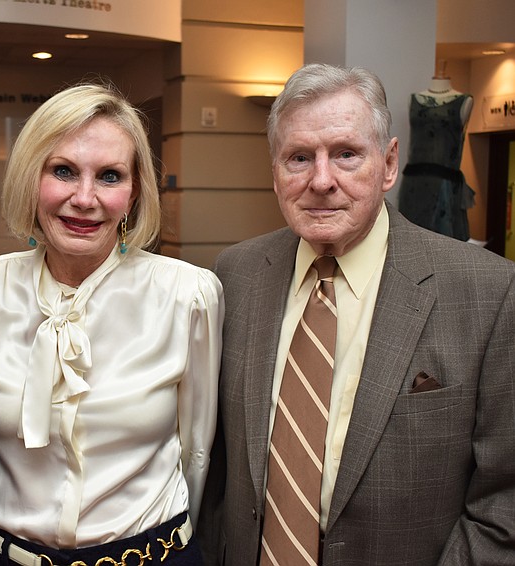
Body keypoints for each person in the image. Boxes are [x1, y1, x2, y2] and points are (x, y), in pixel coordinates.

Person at [199, 63, 515, 565]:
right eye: (299, 157)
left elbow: (504, 498)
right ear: (274, 173)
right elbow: (215, 464)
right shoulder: (234, 276)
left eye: (346, 154)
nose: (321, 180)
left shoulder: (487, 293)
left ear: (389, 164)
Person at [0, 83, 224, 566]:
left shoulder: (188, 295)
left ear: (135, 190)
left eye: (109, 176)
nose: (84, 198)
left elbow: (196, 453)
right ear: (31, 178)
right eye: (63, 171)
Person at [398, 74, 475, 240]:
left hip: (444, 186)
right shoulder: (414, 100)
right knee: (408, 238)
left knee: (442, 241)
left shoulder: (464, 101)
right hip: (413, 185)